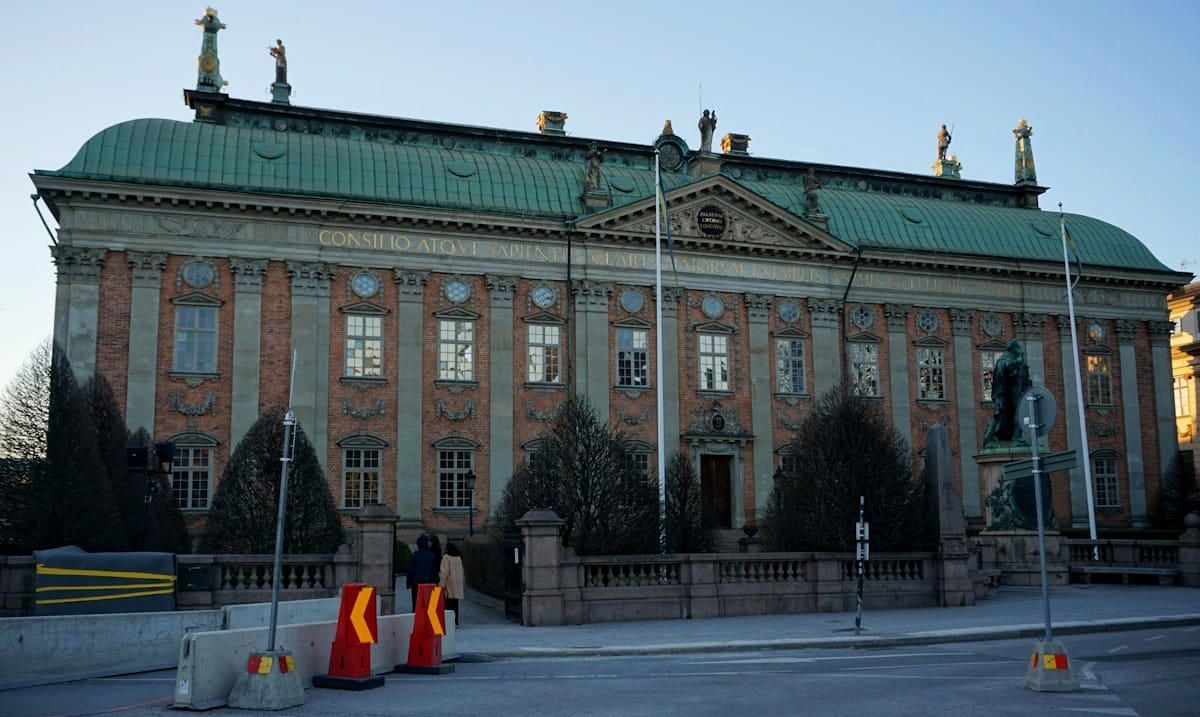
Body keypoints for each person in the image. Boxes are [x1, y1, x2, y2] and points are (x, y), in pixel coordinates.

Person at [406, 535, 435, 611]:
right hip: (428, 582)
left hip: (416, 582)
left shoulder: (415, 555)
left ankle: (416, 616)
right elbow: (433, 570)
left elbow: (411, 569)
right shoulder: (431, 555)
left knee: (416, 602)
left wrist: (408, 582)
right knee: (427, 602)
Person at [440, 542, 465, 626]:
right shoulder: (458, 558)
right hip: (457, 584)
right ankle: (456, 621)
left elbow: (444, 572)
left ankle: (449, 623)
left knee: (448, 604)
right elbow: (461, 571)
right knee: (455, 604)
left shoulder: (446, 558)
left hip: (449, 584)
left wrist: (441, 585)